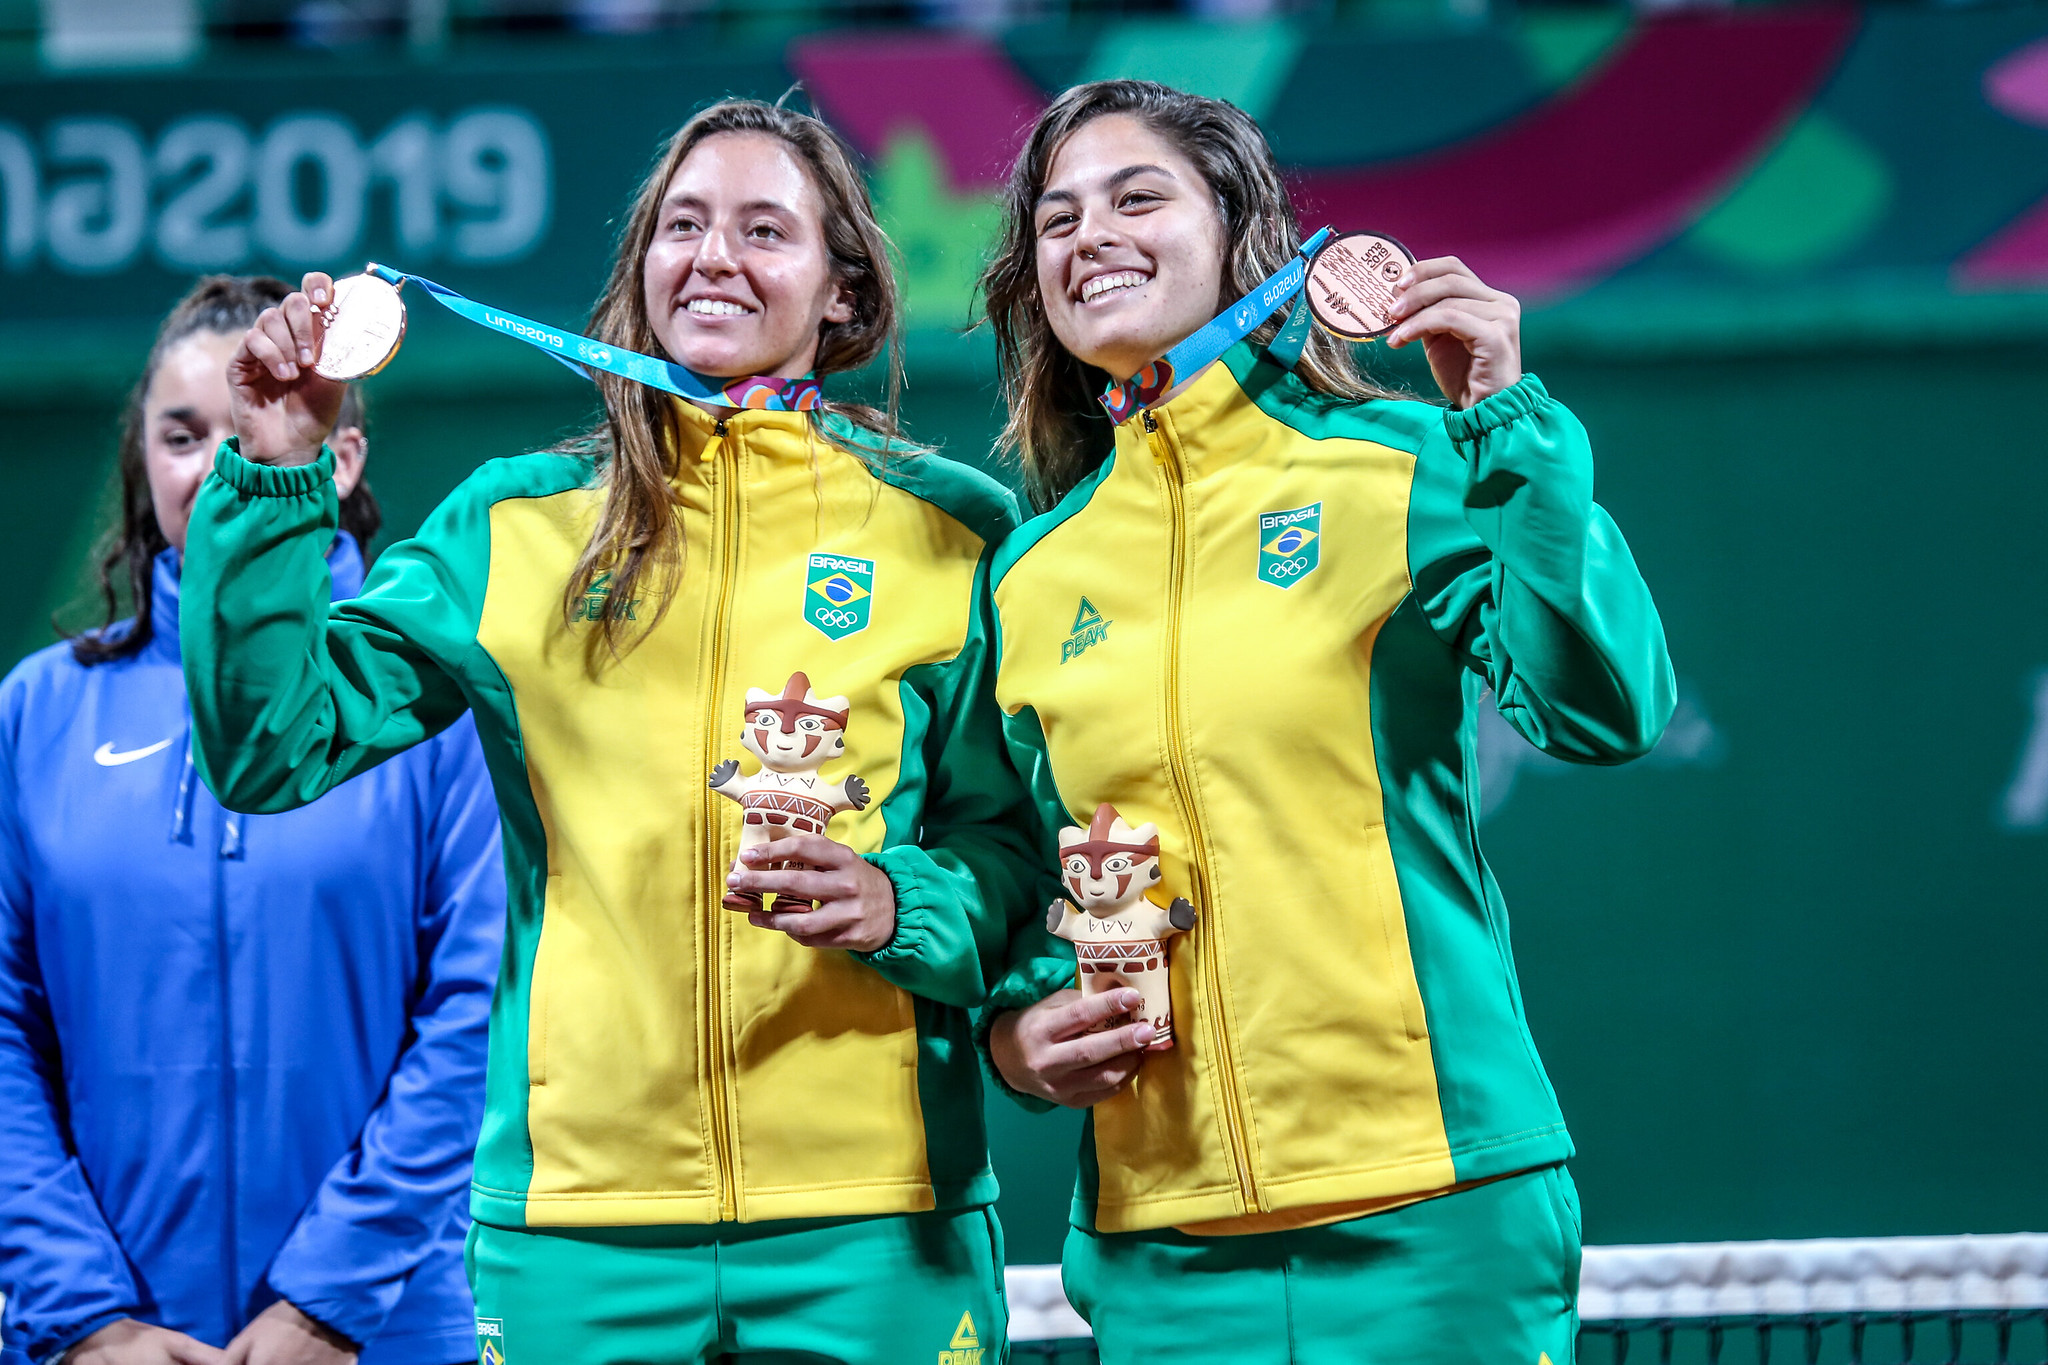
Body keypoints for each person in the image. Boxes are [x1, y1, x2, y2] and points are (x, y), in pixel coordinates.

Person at [178, 100, 1040, 1365]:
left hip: (876, 1221)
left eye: (764, 230)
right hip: (578, 1227)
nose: (713, 257)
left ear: (841, 292)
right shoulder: (515, 528)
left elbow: (1013, 854)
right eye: (681, 225)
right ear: (640, 266)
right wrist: (276, 469)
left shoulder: (952, 529)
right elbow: (273, 745)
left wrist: (893, 901)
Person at [974, 80, 1677, 1365]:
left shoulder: (1407, 462)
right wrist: (1021, 1032)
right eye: (1056, 220)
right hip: (1160, 1239)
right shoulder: (1029, 577)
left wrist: (1504, 422)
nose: (1089, 236)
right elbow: (1027, 873)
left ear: (1241, 234)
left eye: (1138, 197)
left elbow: (1604, 708)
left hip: (1434, 1205)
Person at [0, 276, 505, 1365]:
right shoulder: (35, 715)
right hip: (101, 1341)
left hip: (383, 1332)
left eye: (253, 431)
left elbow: (477, 1016)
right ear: (141, 457)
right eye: (182, 435)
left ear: (342, 458)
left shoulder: (429, 704)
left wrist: (327, 1305)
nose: (214, 466)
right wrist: (82, 1319)